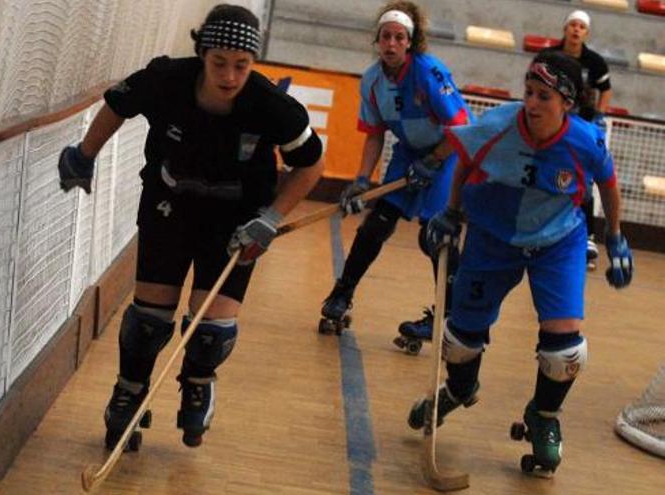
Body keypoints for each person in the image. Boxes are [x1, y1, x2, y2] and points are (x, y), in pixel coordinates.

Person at [58, 4, 324, 450]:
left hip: (239, 221)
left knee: (209, 333)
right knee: (148, 320)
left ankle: (199, 381)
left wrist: (271, 218)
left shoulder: (272, 106)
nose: (230, 76)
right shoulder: (167, 79)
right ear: (202, 54)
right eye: (219, 62)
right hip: (170, 204)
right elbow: (116, 105)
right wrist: (83, 154)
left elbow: (311, 166)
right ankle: (128, 392)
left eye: (242, 66)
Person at [409, 51, 633, 477]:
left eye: (544, 97)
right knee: (460, 341)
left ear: (566, 102)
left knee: (565, 348)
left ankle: (543, 416)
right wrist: (452, 213)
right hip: (493, 237)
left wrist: (616, 236)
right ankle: (458, 390)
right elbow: (466, 162)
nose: (531, 103)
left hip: (557, 241)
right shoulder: (497, 125)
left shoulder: (585, 140)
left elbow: (608, 181)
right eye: (529, 92)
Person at [319, 0, 471, 353]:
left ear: (410, 42)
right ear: (377, 40)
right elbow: (374, 133)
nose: (390, 44)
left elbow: (459, 127)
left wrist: (433, 161)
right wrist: (361, 179)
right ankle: (342, 294)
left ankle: (449, 317)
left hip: (448, 152)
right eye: (385, 36)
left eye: (398, 37)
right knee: (376, 225)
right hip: (408, 152)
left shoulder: (429, 72)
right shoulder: (372, 81)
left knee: (437, 235)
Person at [543, 9, 613, 269]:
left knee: (584, 179)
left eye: (581, 27)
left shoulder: (594, 62)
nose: (576, 30)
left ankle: (587, 239)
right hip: (551, 125)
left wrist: (599, 116)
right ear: (565, 28)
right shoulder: (550, 56)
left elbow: (605, 90)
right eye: (572, 25)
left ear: (586, 32)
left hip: (580, 126)